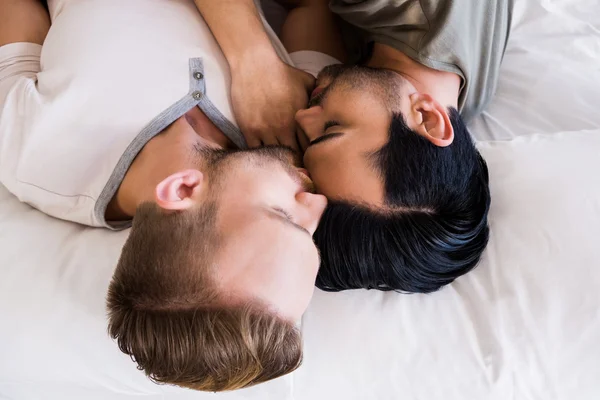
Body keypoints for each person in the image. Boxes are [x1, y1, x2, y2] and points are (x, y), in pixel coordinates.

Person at [0, 0, 328, 392]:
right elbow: (311, 9)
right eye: (310, 235)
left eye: (284, 217)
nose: (318, 202)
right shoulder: (295, 136)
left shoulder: (34, 153)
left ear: (183, 188)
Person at [225, 0, 506, 293]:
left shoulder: (443, 94)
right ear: (427, 117)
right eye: (332, 129)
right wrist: (253, 60)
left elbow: (308, 7)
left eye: (310, 141)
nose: (303, 116)